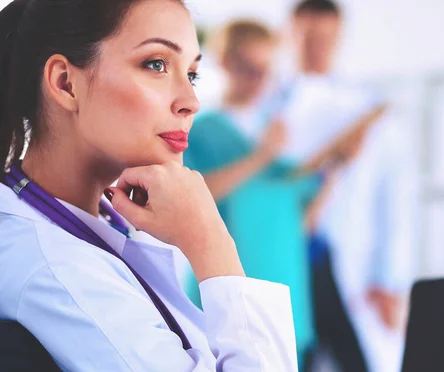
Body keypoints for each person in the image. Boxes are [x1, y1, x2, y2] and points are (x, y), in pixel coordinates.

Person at [0, 0, 298, 370]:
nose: (191, 102)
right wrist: (212, 244)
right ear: (66, 83)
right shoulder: (54, 268)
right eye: (156, 64)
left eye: (192, 74)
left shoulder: (95, 223)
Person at [182, 20, 361, 369]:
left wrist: (336, 167)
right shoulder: (201, 129)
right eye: (250, 69)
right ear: (225, 62)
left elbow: (303, 221)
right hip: (230, 283)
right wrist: (261, 157)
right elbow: (194, 195)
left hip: (286, 282)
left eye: (266, 72)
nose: (259, 82)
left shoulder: (282, 128)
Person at [278, 1, 419, 371]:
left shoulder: (367, 110)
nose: (316, 47)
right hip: (284, 259)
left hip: (345, 265)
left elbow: (395, 199)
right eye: (307, 36)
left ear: (340, 38)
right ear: (290, 34)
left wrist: (390, 277)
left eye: (326, 38)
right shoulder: (269, 106)